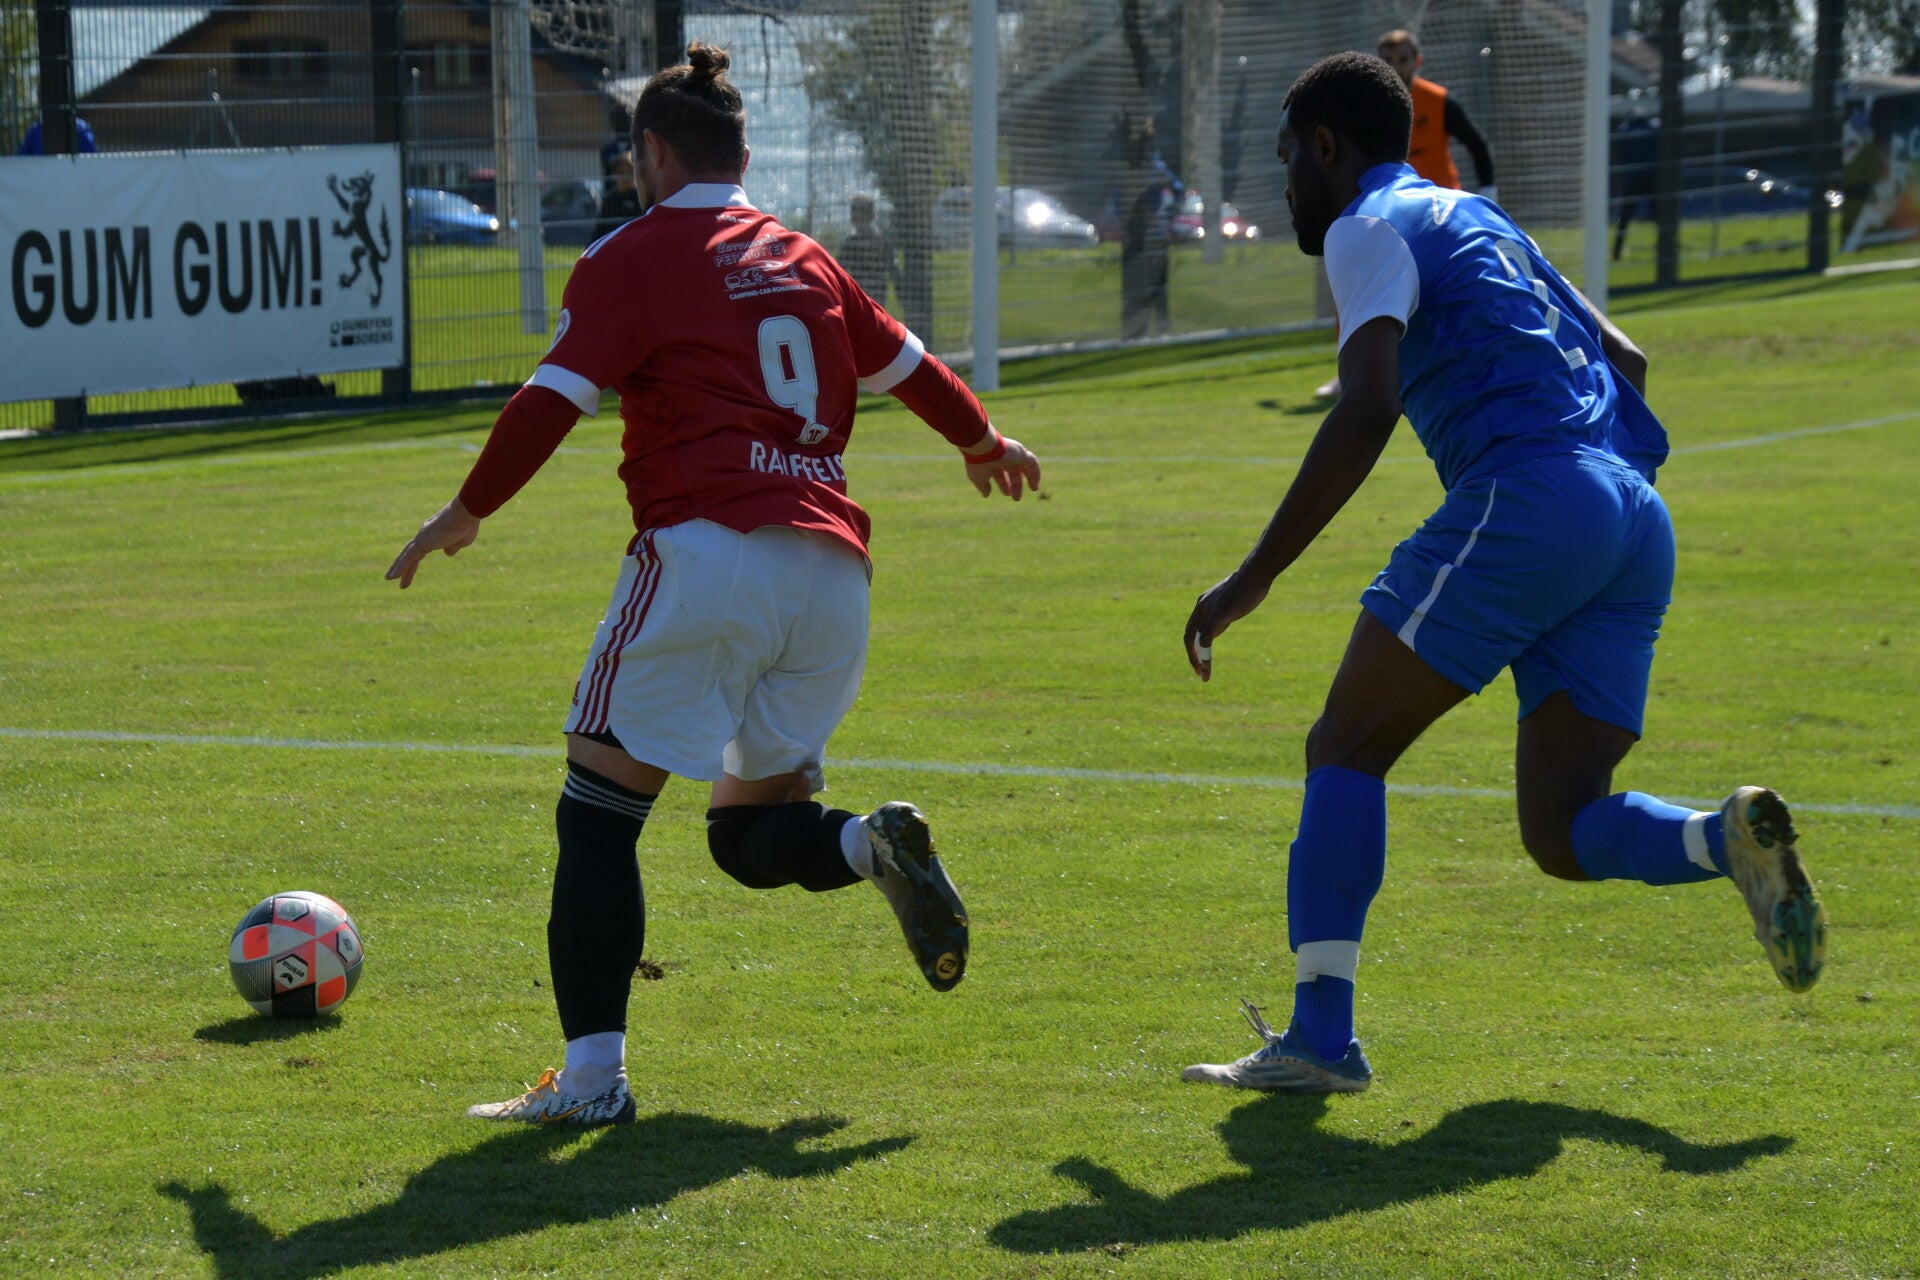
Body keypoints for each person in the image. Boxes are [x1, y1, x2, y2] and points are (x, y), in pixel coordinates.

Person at [387, 44, 1043, 1126]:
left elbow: (551, 398)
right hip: (831, 575)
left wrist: (469, 508)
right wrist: (983, 440)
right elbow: (911, 364)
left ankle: (591, 1083)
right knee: (744, 838)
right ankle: (867, 843)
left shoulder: (632, 254)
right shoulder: (804, 256)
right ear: (741, 153)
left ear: (652, 152)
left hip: (710, 552)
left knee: (599, 817)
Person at [1179, 53, 1825, 1095]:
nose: (1285, 180)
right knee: (1562, 829)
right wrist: (1589, 508)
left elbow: (1368, 404)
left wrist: (1252, 577)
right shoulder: (1483, 218)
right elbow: (1629, 362)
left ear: (1327, 146)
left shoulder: (1366, 226)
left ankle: (1321, 1038)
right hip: (1631, 516)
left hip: (1535, 497)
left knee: (1346, 743)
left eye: (1288, 154)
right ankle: (1725, 839)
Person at [1316, 30, 1496, 399]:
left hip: (1438, 223)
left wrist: (1489, 195)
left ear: (1418, 61)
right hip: (1387, 220)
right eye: (1388, 60)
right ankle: (1349, 372)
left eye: (1402, 59)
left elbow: (1478, 145)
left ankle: (1472, 364)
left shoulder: (1438, 101)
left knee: (1455, 294)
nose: (1396, 67)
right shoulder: (1363, 109)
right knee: (1355, 286)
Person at [836, 193, 896, 306]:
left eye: (861, 212)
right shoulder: (851, 240)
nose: (858, 215)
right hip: (862, 290)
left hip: (870, 291)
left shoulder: (879, 240)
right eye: (855, 211)